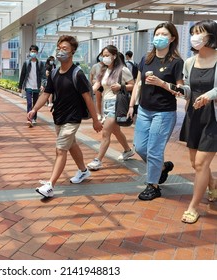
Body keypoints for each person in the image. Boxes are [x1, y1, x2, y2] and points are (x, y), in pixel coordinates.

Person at [27, 35, 103, 198]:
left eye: (65, 49)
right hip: (59, 117)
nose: (61, 51)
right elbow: (46, 93)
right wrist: (34, 109)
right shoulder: (54, 73)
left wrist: (96, 120)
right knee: (71, 144)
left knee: (60, 149)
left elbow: (88, 98)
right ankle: (83, 171)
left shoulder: (77, 73)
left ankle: (50, 185)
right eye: (59, 48)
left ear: (72, 52)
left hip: (73, 118)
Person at [127, 22, 184, 201]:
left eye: (164, 34)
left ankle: (153, 185)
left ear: (172, 38)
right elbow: (137, 83)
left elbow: (180, 90)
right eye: (157, 33)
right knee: (140, 147)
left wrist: (161, 83)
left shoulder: (176, 62)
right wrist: (131, 105)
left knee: (154, 150)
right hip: (144, 110)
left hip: (164, 113)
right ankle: (161, 168)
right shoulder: (146, 59)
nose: (159, 37)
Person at [179, 19, 217, 223]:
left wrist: (210, 95)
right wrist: (177, 89)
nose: (195, 36)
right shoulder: (189, 61)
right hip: (194, 115)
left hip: (214, 117)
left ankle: (193, 207)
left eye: (199, 33)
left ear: (210, 36)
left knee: (202, 163)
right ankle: (213, 185)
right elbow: (188, 88)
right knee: (195, 163)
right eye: (193, 32)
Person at [87, 45, 135, 171]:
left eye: (107, 55)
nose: (105, 57)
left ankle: (98, 160)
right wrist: (86, 94)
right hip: (106, 103)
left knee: (105, 132)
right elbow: (97, 85)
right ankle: (128, 150)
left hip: (116, 103)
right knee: (116, 131)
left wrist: (121, 86)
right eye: (103, 55)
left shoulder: (123, 70)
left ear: (114, 56)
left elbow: (133, 85)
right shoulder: (103, 70)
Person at [18, 45, 46, 127]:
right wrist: (20, 86)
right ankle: (29, 119)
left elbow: (43, 75)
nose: (33, 53)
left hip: (36, 86)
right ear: (30, 52)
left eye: (34, 51)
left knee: (35, 103)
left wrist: (42, 85)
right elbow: (22, 75)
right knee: (29, 102)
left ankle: (34, 118)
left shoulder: (40, 63)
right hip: (28, 85)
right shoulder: (26, 63)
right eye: (32, 51)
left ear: (37, 52)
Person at [90, 54, 104, 121]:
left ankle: (103, 114)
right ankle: (98, 114)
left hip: (105, 85)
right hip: (97, 85)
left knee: (104, 100)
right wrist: (92, 83)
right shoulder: (95, 66)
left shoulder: (108, 66)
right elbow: (92, 75)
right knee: (98, 100)